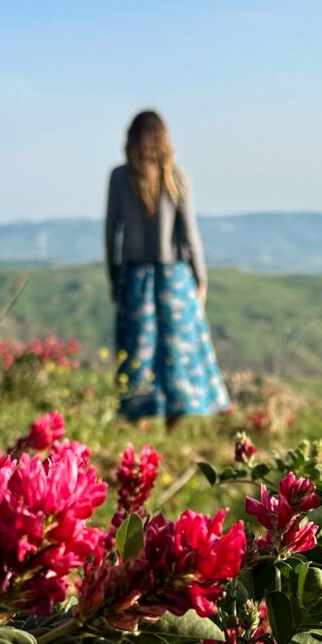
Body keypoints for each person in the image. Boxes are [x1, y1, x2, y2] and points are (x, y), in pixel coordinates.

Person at [104, 110, 231, 427]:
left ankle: (138, 420)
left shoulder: (120, 178)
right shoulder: (178, 179)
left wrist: (114, 276)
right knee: (178, 352)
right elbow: (190, 236)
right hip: (175, 277)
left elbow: (111, 233)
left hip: (134, 276)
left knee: (137, 351)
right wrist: (201, 278)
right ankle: (174, 422)